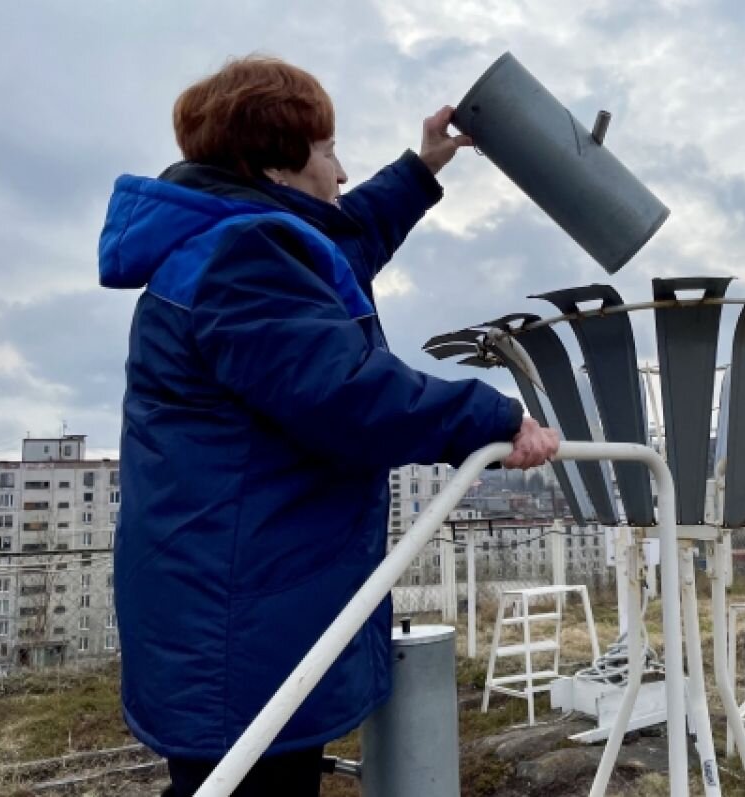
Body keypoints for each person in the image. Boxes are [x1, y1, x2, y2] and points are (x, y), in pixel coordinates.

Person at [97, 56, 559, 796]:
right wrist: (494, 417)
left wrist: (422, 166)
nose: (342, 173)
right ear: (277, 165)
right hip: (239, 610)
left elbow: (342, 241)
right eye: (327, 151)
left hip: (232, 594)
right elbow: (345, 393)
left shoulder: (235, 239)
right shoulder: (245, 258)